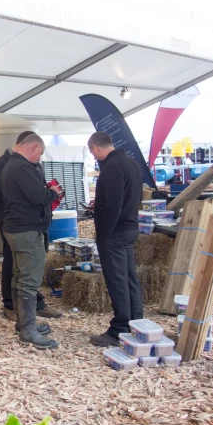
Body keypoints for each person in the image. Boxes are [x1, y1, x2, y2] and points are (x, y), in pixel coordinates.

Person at [0, 131, 61, 320]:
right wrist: (48, 194)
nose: (40, 157)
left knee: (25, 269)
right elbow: (4, 197)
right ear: (32, 146)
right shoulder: (6, 166)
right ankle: (13, 307)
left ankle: (30, 309)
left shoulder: (25, 164)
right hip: (18, 223)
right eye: (40, 152)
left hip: (27, 222)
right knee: (18, 267)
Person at [87, 132, 144, 347]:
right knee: (129, 278)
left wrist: (103, 232)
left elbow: (112, 205)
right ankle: (136, 323)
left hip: (115, 232)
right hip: (129, 226)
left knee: (117, 280)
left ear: (96, 147)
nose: (93, 154)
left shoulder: (111, 168)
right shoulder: (132, 164)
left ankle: (120, 327)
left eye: (92, 151)